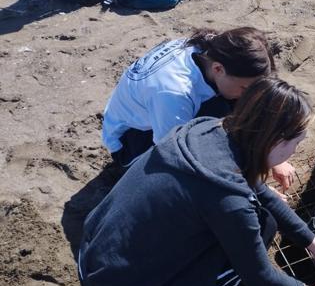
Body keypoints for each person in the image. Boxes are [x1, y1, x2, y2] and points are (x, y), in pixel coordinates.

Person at [79, 78, 315, 286]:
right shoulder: (229, 200)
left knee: (263, 219)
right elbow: (260, 277)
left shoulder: (206, 129)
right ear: (275, 141)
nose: (295, 151)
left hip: (93, 254)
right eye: (296, 143)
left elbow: (260, 191)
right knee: (259, 228)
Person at [101, 27, 297, 191]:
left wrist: (273, 156)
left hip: (159, 114)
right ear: (218, 69)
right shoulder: (174, 94)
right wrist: (253, 189)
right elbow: (176, 158)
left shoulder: (210, 49)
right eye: (244, 88)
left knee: (234, 109)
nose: (246, 95)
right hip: (133, 141)